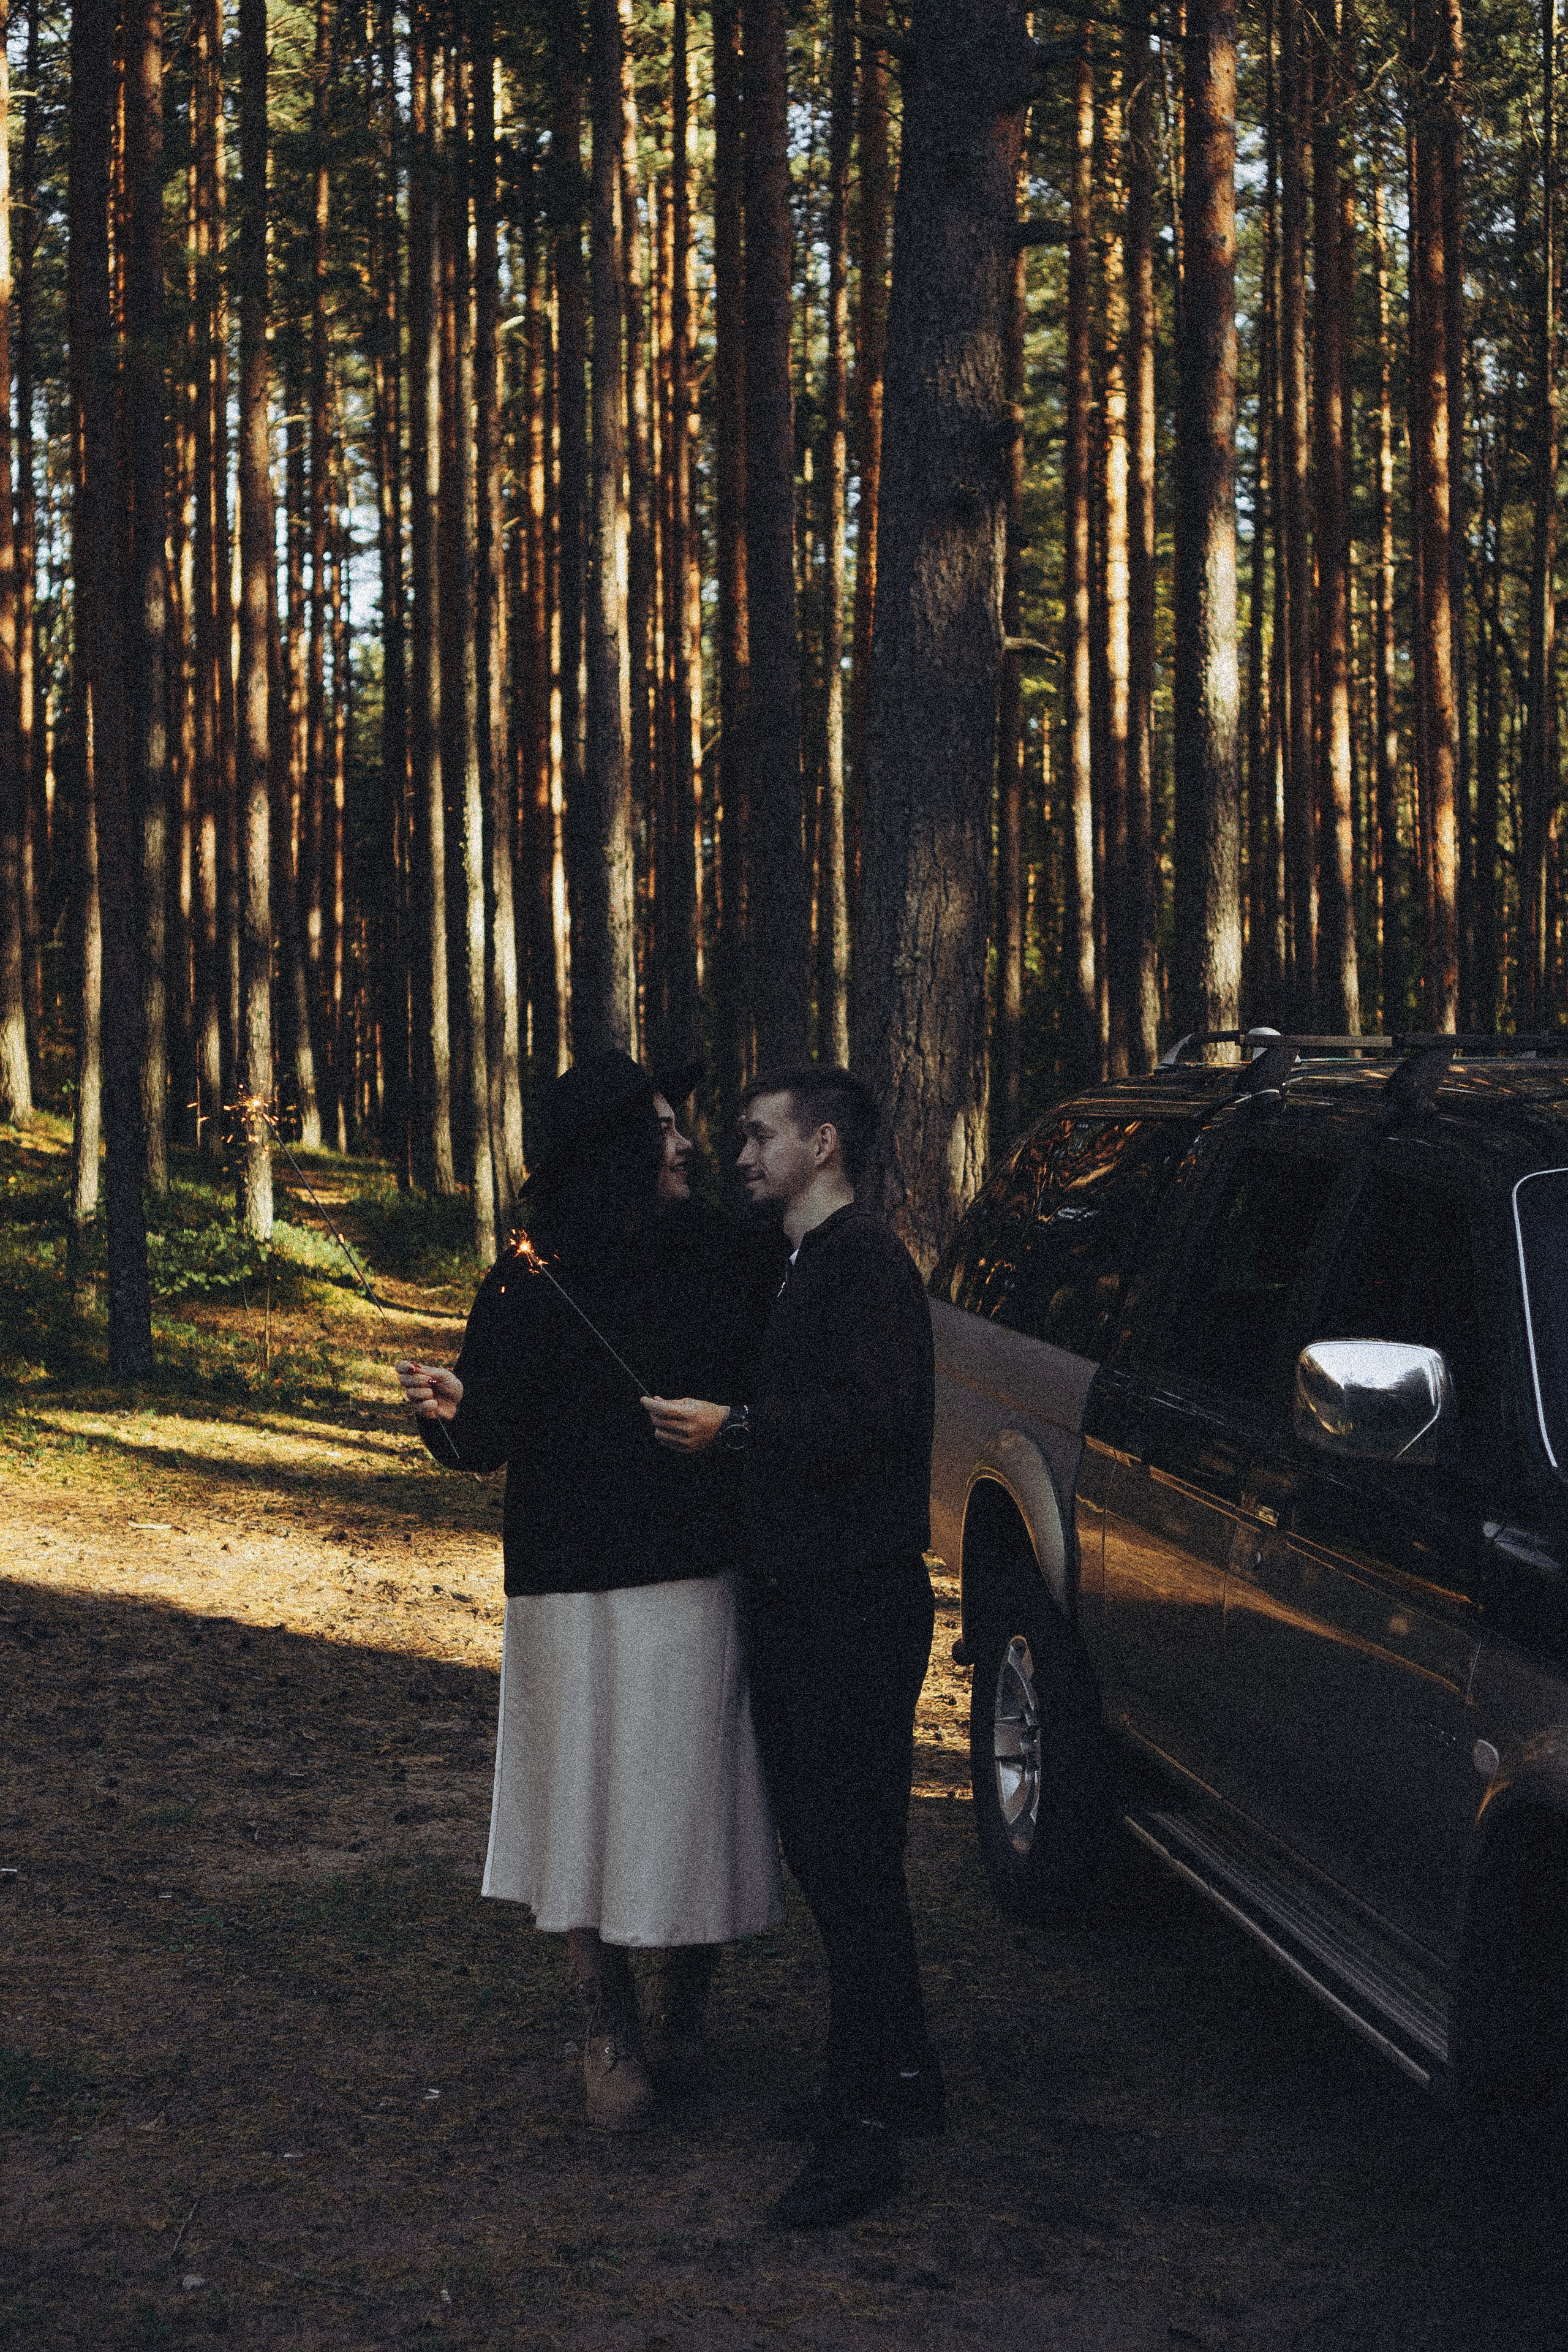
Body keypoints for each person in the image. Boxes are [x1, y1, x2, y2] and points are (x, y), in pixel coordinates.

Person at [397, 1050, 784, 2133]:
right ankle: (605, 2031)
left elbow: (769, 1396)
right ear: (610, 1149)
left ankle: (685, 2013)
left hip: (690, 1575)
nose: (685, 1144)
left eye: (681, 1123)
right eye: (661, 1128)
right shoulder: (525, 1278)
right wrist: (444, 1409)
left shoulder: (724, 1256)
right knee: (583, 1807)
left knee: (691, 1798)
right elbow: (486, 1439)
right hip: (565, 1586)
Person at [643, 1065, 940, 2228]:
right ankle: (901, 2081)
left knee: (850, 1864)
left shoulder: (863, 1260)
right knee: (846, 1860)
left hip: (851, 1606)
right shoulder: (803, 1262)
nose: (741, 1154)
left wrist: (737, 1430)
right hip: (812, 1599)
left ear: (824, 1144)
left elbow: (875, 1420)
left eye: (760, 1135)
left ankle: (864, 2134)